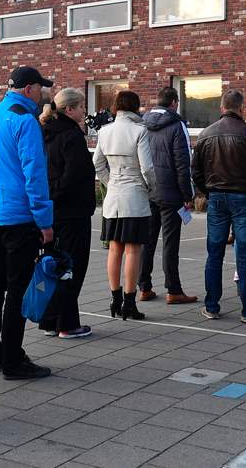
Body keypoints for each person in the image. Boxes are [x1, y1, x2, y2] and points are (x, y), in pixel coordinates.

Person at [0, 66, 55, 379]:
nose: (43, 95)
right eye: (40, 88)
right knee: (17, 288)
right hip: (21, 217)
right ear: (27, 89)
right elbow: (35, 175)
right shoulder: (25, 121)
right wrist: (45, 221)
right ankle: (13, 360)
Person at [191, 89, 246, 323]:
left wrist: (208, 191)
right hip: (244, 196)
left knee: (214, 253)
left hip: (217, 196)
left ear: (221, 107)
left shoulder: (206, 134)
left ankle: (212, 305)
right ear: (241, 108)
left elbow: (195, 170)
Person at [38, 88, 95, 339]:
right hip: (73, 212)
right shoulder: (71, 136)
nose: (85, 111)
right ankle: (67, 323)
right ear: (69, 109)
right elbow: (75, 174)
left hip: (55, 211)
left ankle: (51, 320)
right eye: (81, 106)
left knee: (56, 265)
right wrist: (60, 193)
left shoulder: (47, 133)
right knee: (73, 267)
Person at [94, 90, 156, 321]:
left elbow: (97, 163)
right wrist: (150, 187)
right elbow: (147, 168)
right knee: (133, 249)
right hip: (135, 194)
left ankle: (115, 299)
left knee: (114, 247)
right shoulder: (140, 131)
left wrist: (110, 183)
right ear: (135, 107)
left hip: (114, 196)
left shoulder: (104, 131)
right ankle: (130, 302)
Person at [140, 87, 198, 304]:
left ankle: (143, 287)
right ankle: (173, 289)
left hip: (148, 190)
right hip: (170, 192)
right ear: (174, 102)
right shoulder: (177, 125)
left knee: (148, 241)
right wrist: (188, 194)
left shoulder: (143, 123)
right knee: (170, 243)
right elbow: (183, 163)